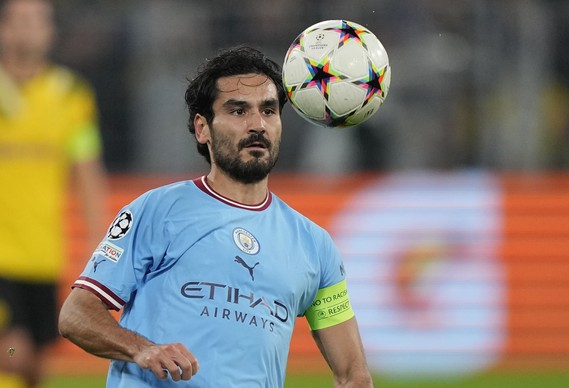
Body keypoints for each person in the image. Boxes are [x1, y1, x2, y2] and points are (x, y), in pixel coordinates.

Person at [58, 46, 374, 387]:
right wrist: (142, 350)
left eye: (268, 111)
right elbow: (76, 314)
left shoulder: (315, 245)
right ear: (202, 128)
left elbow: (354, 375)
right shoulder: (157, 211)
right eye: (238, 111)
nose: (257, 125)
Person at [0, 0, 107, 387]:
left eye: (37, 21)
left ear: (50, 33)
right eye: (19, 21)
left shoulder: (70, 95)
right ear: (4, 30)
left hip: (43, 255)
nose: (28, 30)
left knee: (36, 363)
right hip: (1, 255)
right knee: (12, 350)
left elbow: (87, 171)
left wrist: (98, 245)